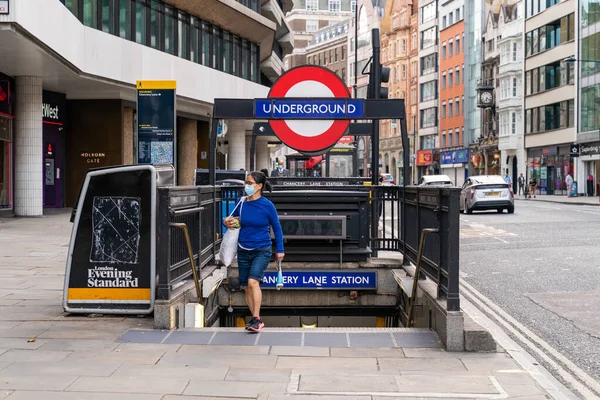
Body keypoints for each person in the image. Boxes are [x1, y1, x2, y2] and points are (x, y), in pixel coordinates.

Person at [223, 171, 284, 333]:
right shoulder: (241, 202)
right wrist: (226, 222)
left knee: (253, 282)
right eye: (246, 182)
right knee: (245, 287)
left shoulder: (267, 205)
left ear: (259, 186)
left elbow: (276, 227)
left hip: (262, 249)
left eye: (250, 183)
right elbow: (234, 221)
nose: (247, 186)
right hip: (243, 248)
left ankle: (257, 319)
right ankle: (254, 318)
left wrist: (280, 250)